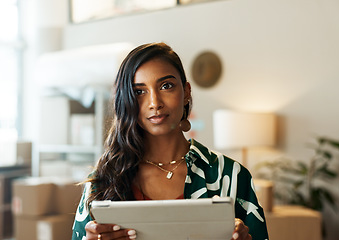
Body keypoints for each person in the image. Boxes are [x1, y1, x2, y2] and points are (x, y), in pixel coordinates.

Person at [71, 42, 269, 240]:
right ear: (126, 100)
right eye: (139, 91)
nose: (155, 103)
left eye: (166, 86)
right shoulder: (103, 180)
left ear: (186, 92)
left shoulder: (230, 175)